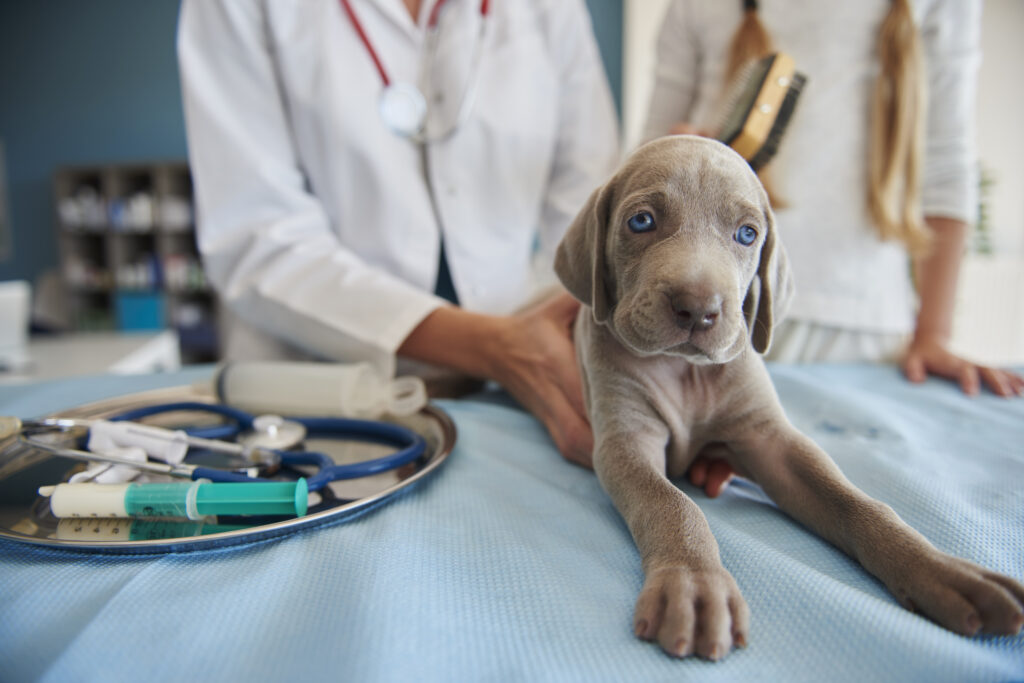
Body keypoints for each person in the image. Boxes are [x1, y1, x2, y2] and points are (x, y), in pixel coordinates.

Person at [176, 0, 620, 467]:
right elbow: (255, 232)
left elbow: (588, 208)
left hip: (517, 388)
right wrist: (497, 346)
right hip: (320, 393)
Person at [643, 0, 1024, 403]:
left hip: (865, 333)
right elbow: (644, 156)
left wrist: (934, 335)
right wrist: (674, 154)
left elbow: (945, 167)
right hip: (709, 311)